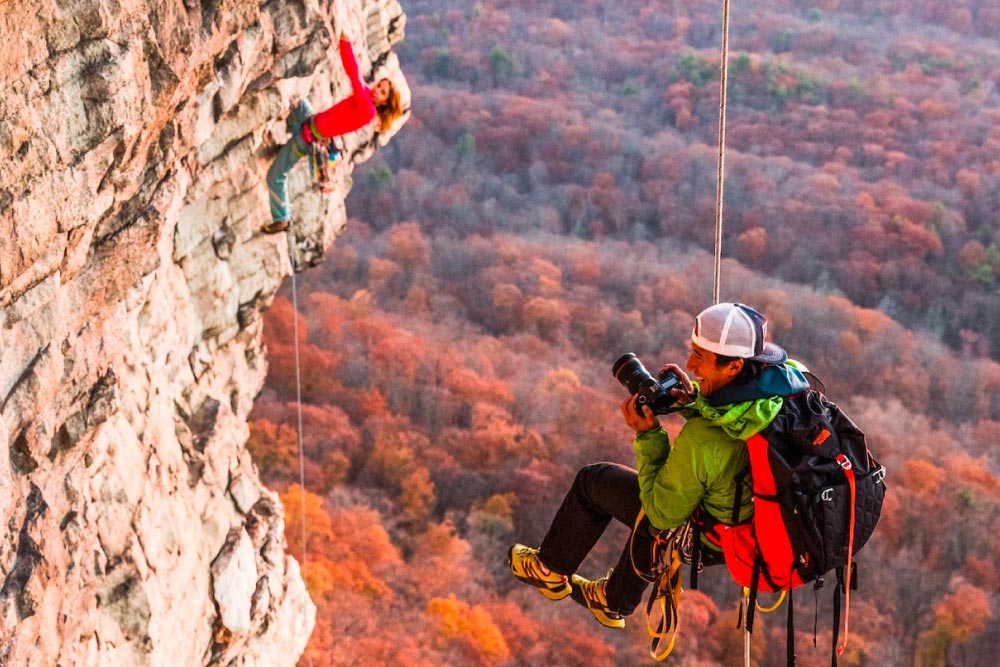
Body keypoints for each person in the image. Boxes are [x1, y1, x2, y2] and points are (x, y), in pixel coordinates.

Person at [508, 302, 811, 628]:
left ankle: (548, 572)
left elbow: (661, 512)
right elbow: (735, 419)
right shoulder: (790, 382)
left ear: (735, 366)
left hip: (716, 537)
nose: (690, 364)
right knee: (670, 486)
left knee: (595, 482)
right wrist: (694, 400)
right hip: (762, 522)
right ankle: (612, 601)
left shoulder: (703, 440)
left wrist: (649, 435)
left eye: (701, 357)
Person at [263, 32, 404, 234]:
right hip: (310, 123)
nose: (376, 90)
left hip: (306, 139)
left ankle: (281, 219)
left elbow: (353, 74)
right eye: (379, 85)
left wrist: (345, 43)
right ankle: (285, 137)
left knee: (275, 176)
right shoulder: (366, 97)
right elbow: (361, 82)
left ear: (384, 104)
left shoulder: (367, 108)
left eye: (382, 92)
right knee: (298, 101)